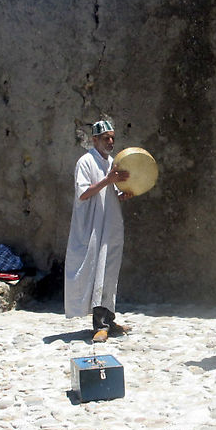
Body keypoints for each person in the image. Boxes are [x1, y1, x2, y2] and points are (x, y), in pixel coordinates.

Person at [64, 120, 135, 343]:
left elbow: (112, 191)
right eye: (106, 138)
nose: (111, 142)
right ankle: (100, 325)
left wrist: (123, 194)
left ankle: (110, 320)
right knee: (97, 273)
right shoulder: (85, 162)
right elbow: (83, 194)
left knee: (110, 274)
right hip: (93, 229)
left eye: (113, 137)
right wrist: (108, 180)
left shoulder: (113, 162)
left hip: (111, 226)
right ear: (94, 140)